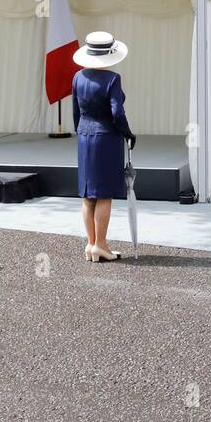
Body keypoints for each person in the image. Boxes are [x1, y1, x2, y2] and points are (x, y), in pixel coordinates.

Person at [71, 31, 135, 262]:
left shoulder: (78, 77)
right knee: (104, 194)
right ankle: (101, 245)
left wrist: (82, 132)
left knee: (88, 195)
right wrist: (127, 133)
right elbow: (117, 113)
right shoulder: (112, 79)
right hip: (106, 138)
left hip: (84, 137)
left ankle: (90, 244)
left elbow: (76, 113)